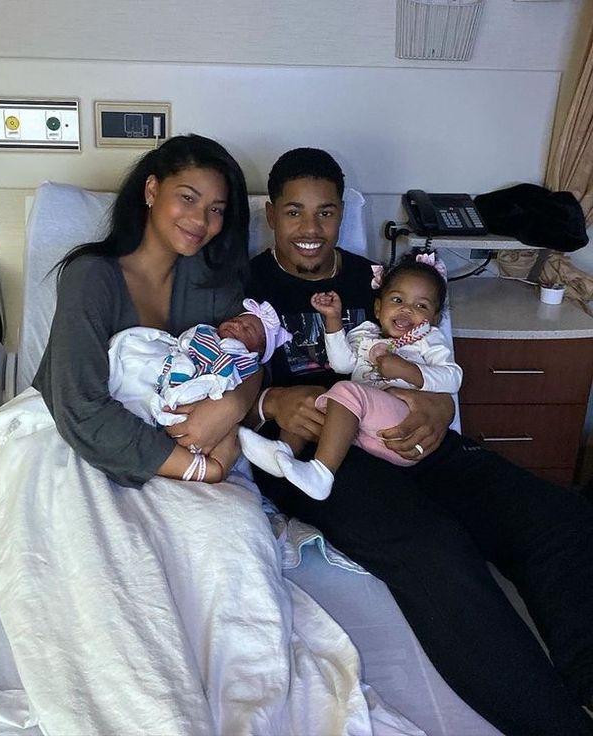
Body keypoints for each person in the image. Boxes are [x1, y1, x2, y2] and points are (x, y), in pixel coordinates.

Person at [245, 146, 593, 736]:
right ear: (271, 216)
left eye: (326, 212)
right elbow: (213, 379)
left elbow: (432, 365)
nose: (311, 229)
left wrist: (439, 406)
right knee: (435, 549)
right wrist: (268, 402)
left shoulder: (381, 281)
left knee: (561, 519)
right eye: (294, 212)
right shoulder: (241, 284)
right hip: (324, 454)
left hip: (410, 432)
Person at [33, 133, 259, 487]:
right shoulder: (92, 278)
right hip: (96, 453)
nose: (201, 220)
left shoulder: (213, 282)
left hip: (200, 451)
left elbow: (253, 358)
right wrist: (199, 469)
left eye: (216, 209)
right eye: (187, 198)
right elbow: (81, 408)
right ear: (152, 191)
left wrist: (234, 404)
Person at [240, 251, 462, 500]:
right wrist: (333, 320)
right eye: (398, 300)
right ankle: (282, 454)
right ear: (378, 308)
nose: (407, 310)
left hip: (402, 429)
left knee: (345, 391)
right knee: (313, 402)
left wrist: (408, 371)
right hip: (363, 431)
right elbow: (341, 364)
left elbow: (453, 377)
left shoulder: (428, 341)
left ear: (435, 319)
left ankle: (322, 473)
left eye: (421, 306)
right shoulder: (366, 335)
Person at [107, 299, 291, 480]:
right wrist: (220, 367)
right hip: (184, 376)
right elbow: (192, 344)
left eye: (247, 329)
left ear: (258, 351)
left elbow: (237, 377)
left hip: (207, 401)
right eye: (237, 319)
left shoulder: (248, 361)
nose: (237, 325)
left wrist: (223, 378)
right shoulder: (205, 333)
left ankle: (272, 457)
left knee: (230, 432)